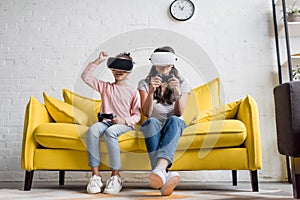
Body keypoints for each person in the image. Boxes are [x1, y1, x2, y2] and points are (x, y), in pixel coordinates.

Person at [81, 51, 141, 194]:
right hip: (105, 121)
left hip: (123, 125)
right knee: (93, 130)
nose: (119, 70)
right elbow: (85, 77)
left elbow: (137, 115)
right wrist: (98, 60)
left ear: (129, 70)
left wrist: (124, 120)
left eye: (123, 67)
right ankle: (96, 176)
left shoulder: (133, 92)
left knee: (111, 132)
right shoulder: (105, 87)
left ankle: (115, 176)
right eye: (116, 66)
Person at [138, 46, 191, 196]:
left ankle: (159, 170)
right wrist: (150, 91)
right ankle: (164, 175)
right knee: (151, 122)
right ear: (154, 63)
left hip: (174, 124)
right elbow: (147, 113)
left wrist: (178, 93)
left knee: (174, 119)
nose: (163, 67)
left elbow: (179, 112)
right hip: (153, 123)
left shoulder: (182, 82)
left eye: (167, 63)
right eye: (160, 63)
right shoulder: (144, 82)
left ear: (173, 63)